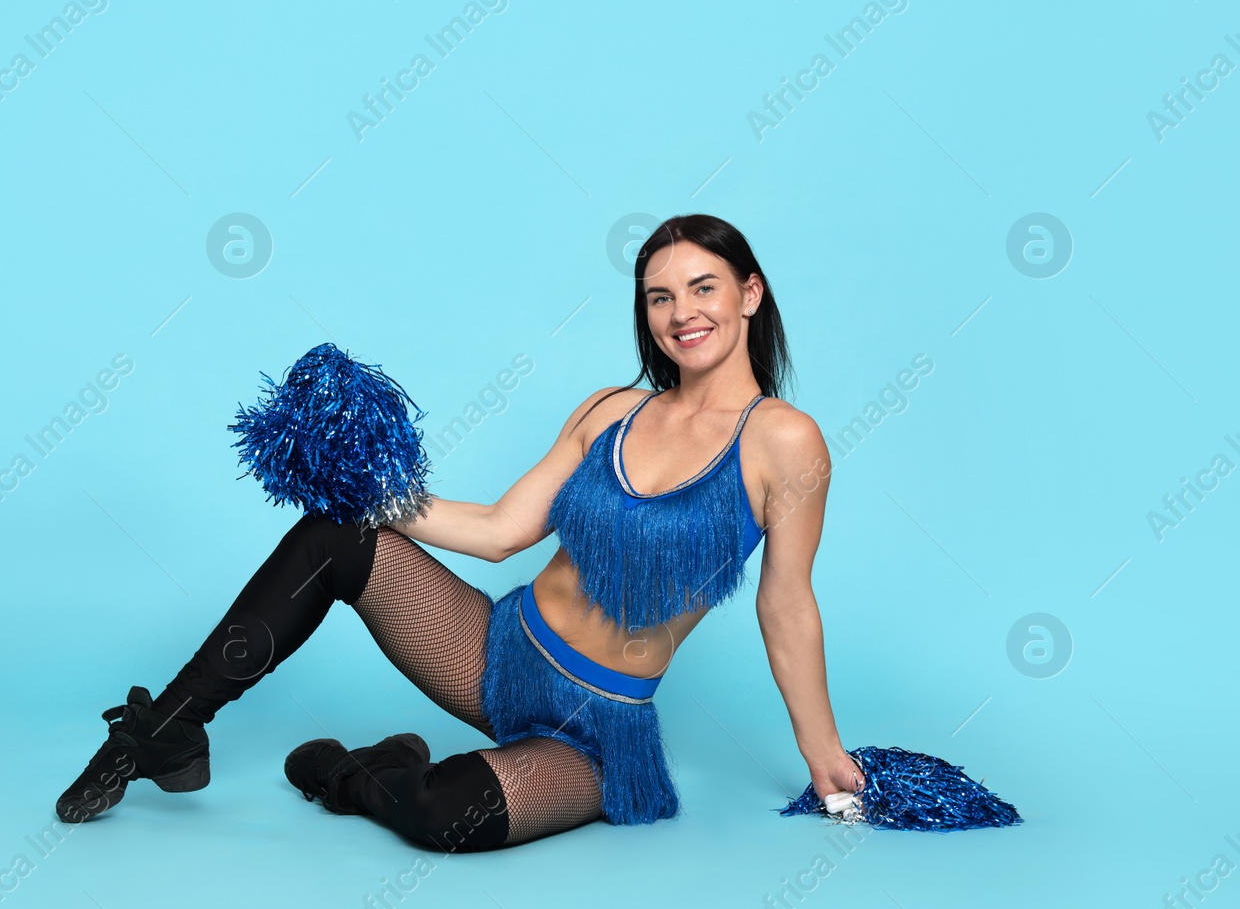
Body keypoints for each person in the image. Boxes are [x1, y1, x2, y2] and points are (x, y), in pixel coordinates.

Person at [55, 213, 864, 852]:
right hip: (498, 654)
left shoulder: (784, 441)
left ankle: (354, 771)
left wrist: (823, 758)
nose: (681, 313)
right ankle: (167, 730)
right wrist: (365, 487)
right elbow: (500, 530)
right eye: (659, 296)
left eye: (703, 288)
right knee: (334, 532)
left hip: (597, 730)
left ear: (750, 294)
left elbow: (785, 604)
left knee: (447, 816)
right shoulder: (611, 411)